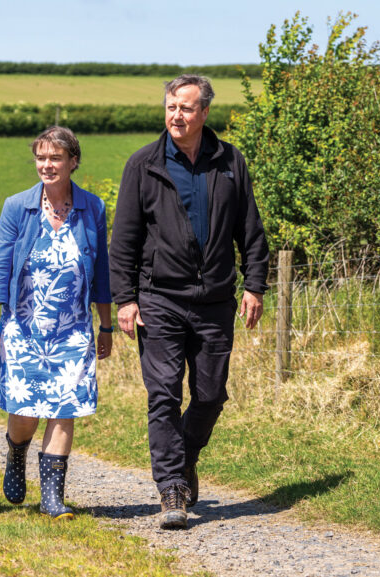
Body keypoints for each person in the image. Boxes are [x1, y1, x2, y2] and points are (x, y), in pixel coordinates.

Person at [109, 75, 270, 529]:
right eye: (170, 107)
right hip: (158, 298)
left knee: (211, 395)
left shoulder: (230, 161)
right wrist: (126, 298)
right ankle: (172, 491)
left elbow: (250, 230)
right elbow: (124, 239)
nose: (176, 115)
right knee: (162, 395)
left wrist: (254, 285)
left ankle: (183, 456)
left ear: (204, 114)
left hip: (216, 299)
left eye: (185, 108)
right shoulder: (144, 164)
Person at [0, 126, 113, 520]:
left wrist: (105, 325)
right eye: (41, 157)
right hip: (22, 328)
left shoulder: (93, 208)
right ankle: (17, 451)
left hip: (73, 329)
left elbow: (102, 272)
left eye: (55, 158)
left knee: (64, 407)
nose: (47, 165)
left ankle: (52, 499)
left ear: (73, 162)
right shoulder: (17, 207)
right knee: (25, 412)